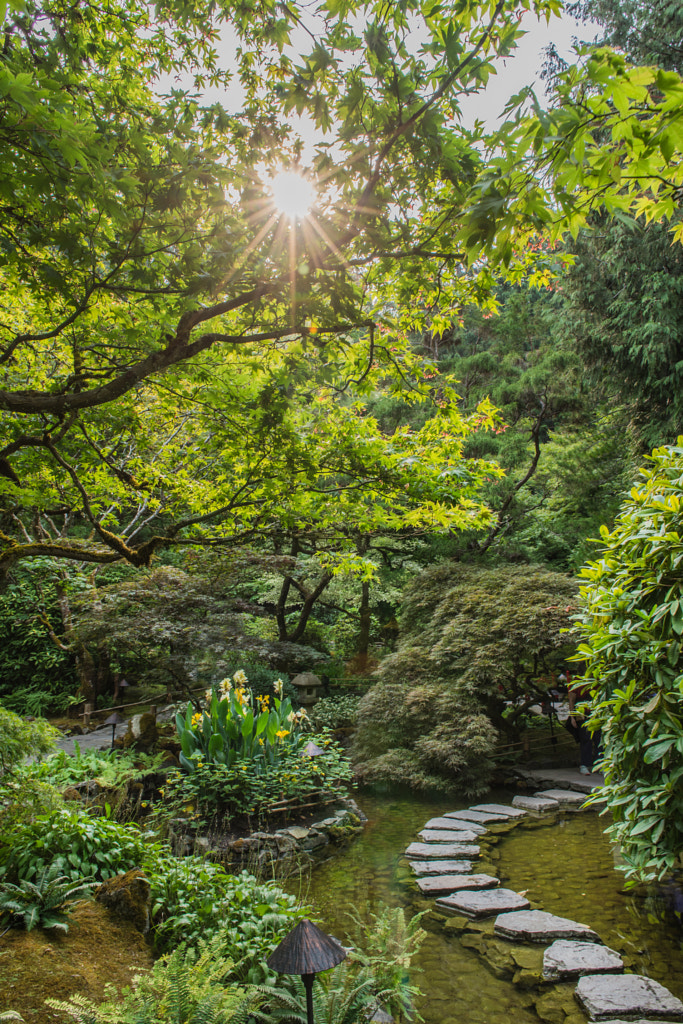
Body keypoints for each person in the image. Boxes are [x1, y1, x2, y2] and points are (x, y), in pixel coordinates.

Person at [568, 680, 601, 774]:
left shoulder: (598, 682)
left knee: (599, 739)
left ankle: (600, 764)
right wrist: (572, 717)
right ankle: (585, 764)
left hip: (596, 714)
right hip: (582, 715)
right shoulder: (577, 685)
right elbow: (572, 700)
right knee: (586, 739)